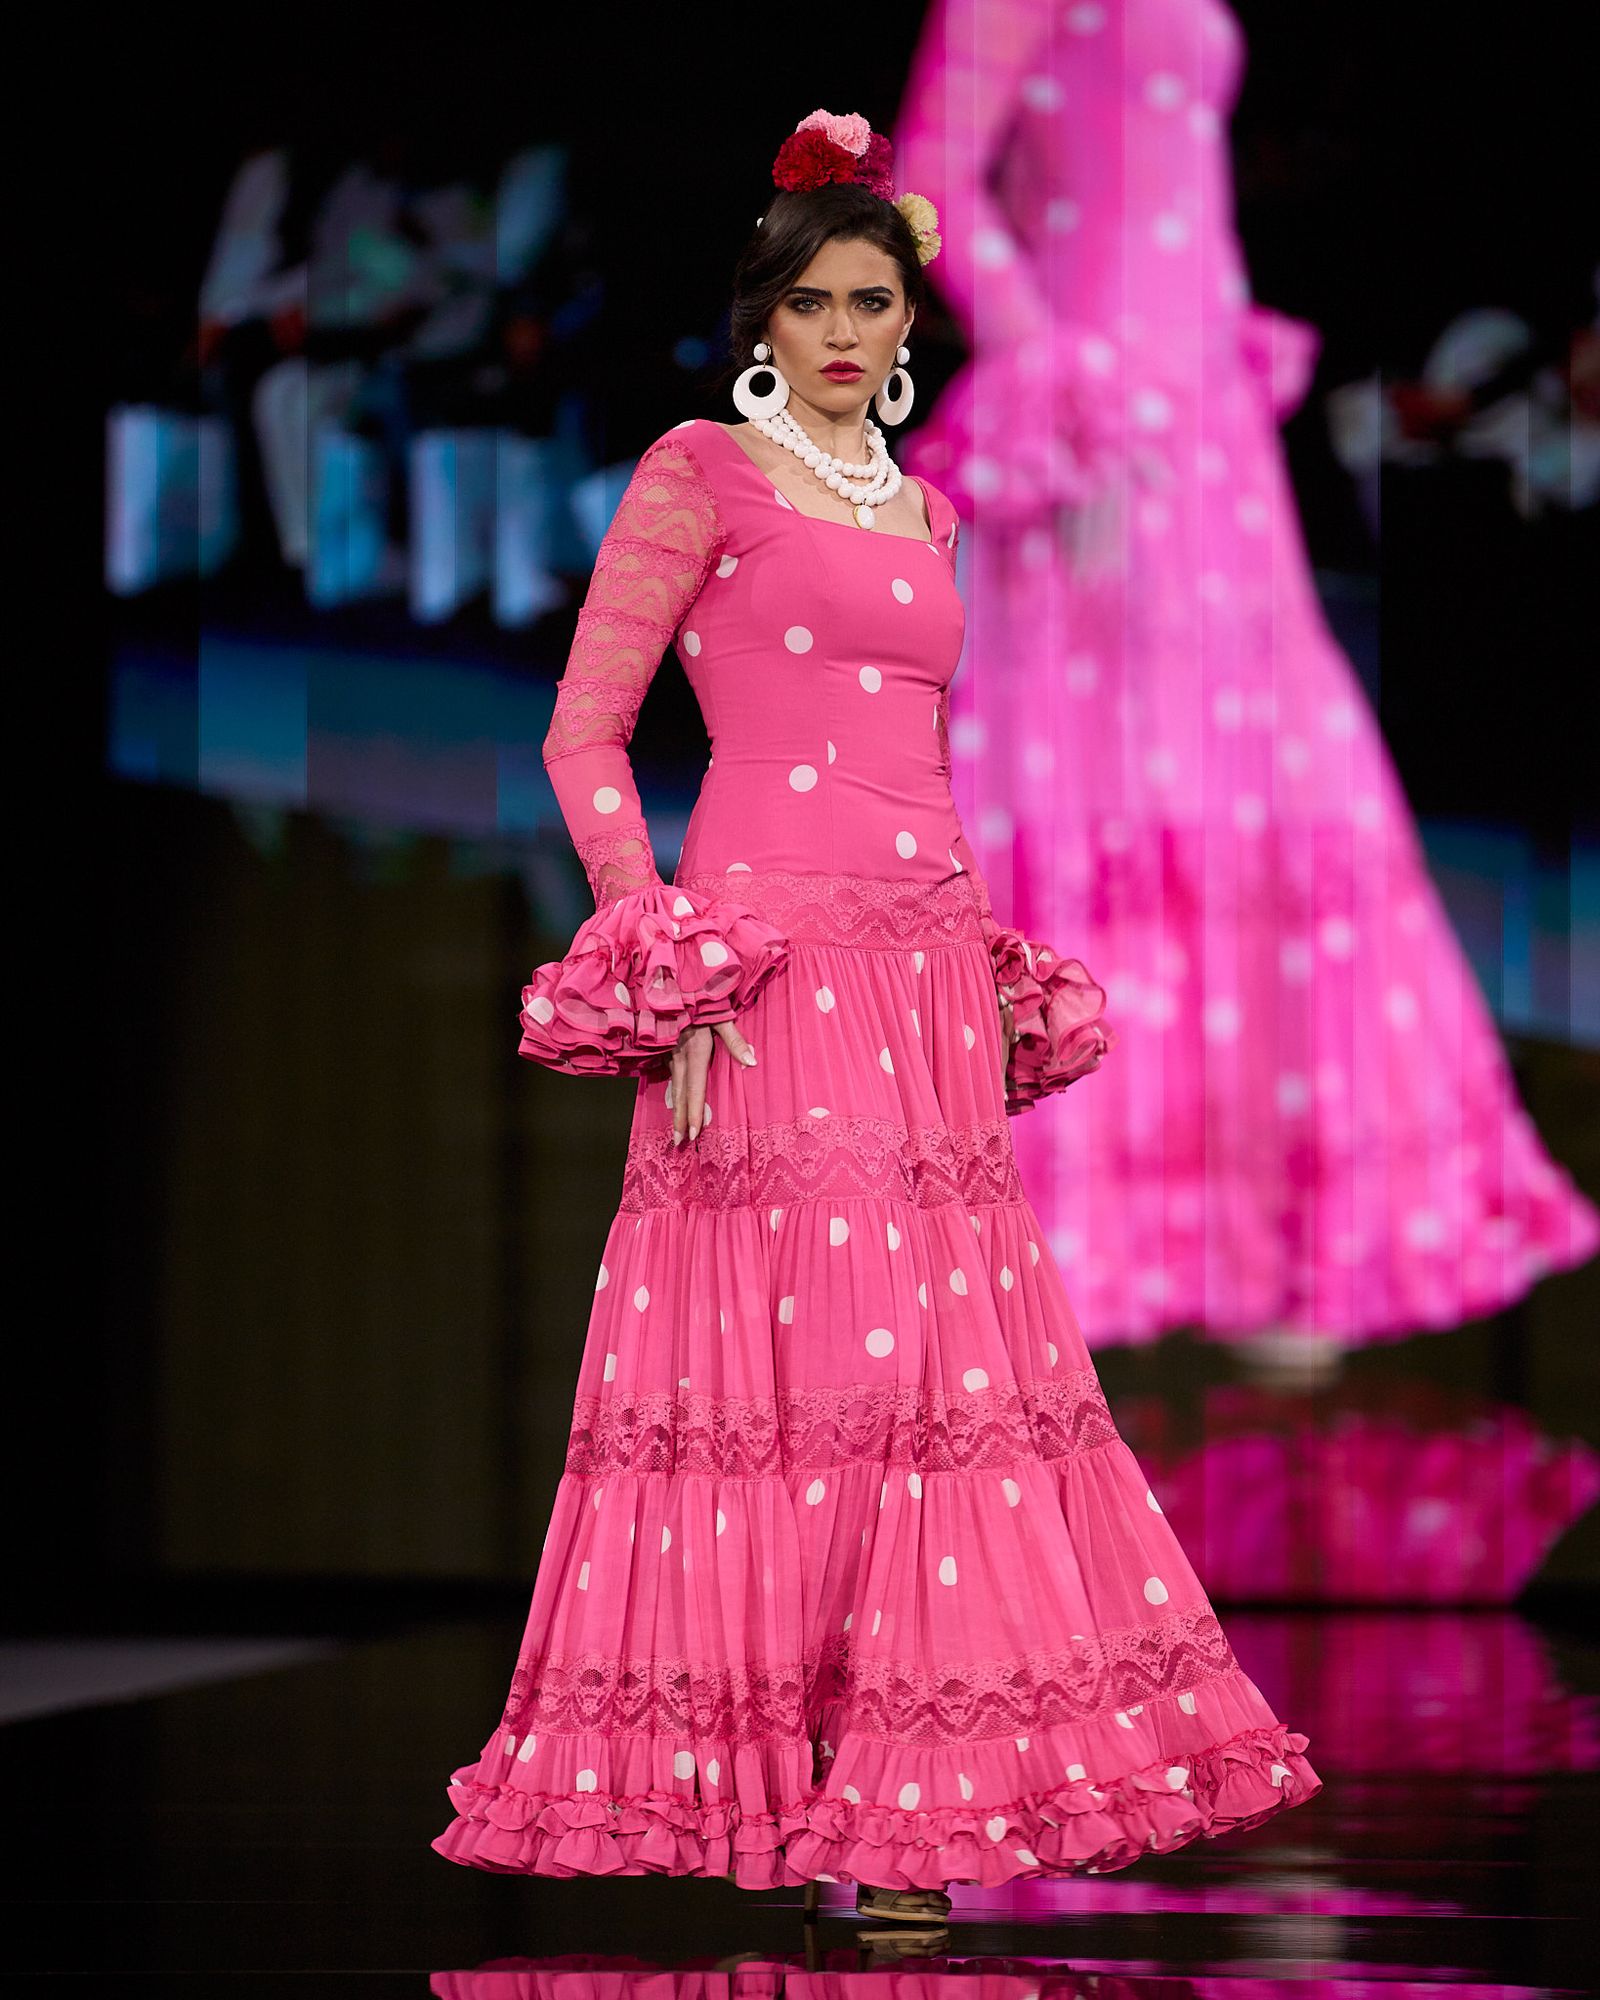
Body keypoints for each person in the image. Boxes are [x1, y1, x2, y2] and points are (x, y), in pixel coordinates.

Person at [429, 109, 1322, 1942]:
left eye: (877, 303)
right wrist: (652, 948)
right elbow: (585, 733)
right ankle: (776, 1795)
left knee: (945, 1389)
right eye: (818, 302)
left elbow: (920, 757)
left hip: (918, 977)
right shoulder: (701, 471)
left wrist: (975, 957)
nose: (849, 333)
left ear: (911, 322)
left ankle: (914, 1798)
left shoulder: (926, 509)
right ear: (768, 313)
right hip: (760, 988)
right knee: (795, 1387)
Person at [893, 0, 1599, 1372]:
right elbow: (927, 180)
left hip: (1202, 422)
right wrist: (1053, 375)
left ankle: (1236, 1208)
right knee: (1097, 773)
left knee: (1246, 770)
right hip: (1109, 430)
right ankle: (1078, 1215)